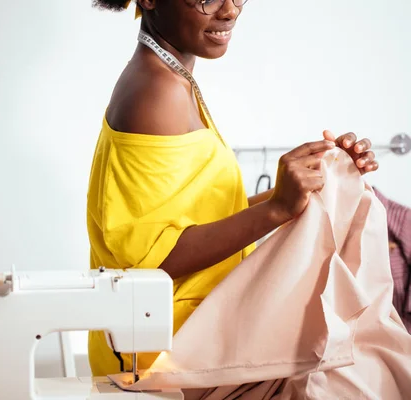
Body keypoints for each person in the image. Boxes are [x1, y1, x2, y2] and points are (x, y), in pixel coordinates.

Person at [86, 0, 379, 378]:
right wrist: (276, 209)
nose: (229, 10)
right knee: (362, 370)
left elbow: (198, 220)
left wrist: (312, 182)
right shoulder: (156, 92)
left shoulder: (168, 77)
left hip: (187, 336)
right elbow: (152, 263)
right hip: (164, 357)